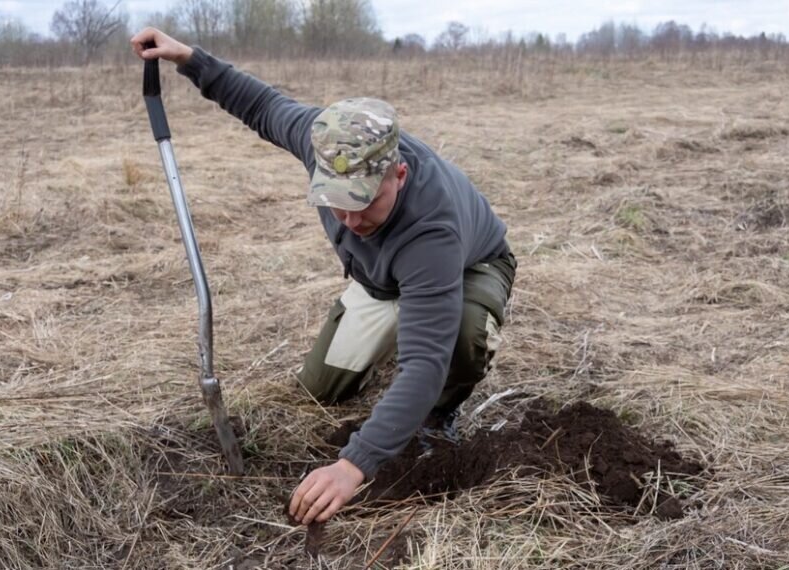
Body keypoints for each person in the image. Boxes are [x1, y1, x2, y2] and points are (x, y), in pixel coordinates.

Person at [130, 28, 516, 526]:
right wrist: (187, 57)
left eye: (364, 204)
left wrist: (354, 465)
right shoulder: (323, 141)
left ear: (397, 175)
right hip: (384, 283)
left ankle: (440, 414)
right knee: (321, 390)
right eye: (336, 204)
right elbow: (259, 103)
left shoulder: (431, 230)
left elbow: (423, 363)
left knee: (454, 338)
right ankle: (397, 328)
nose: (350, 223)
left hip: (468, 270)